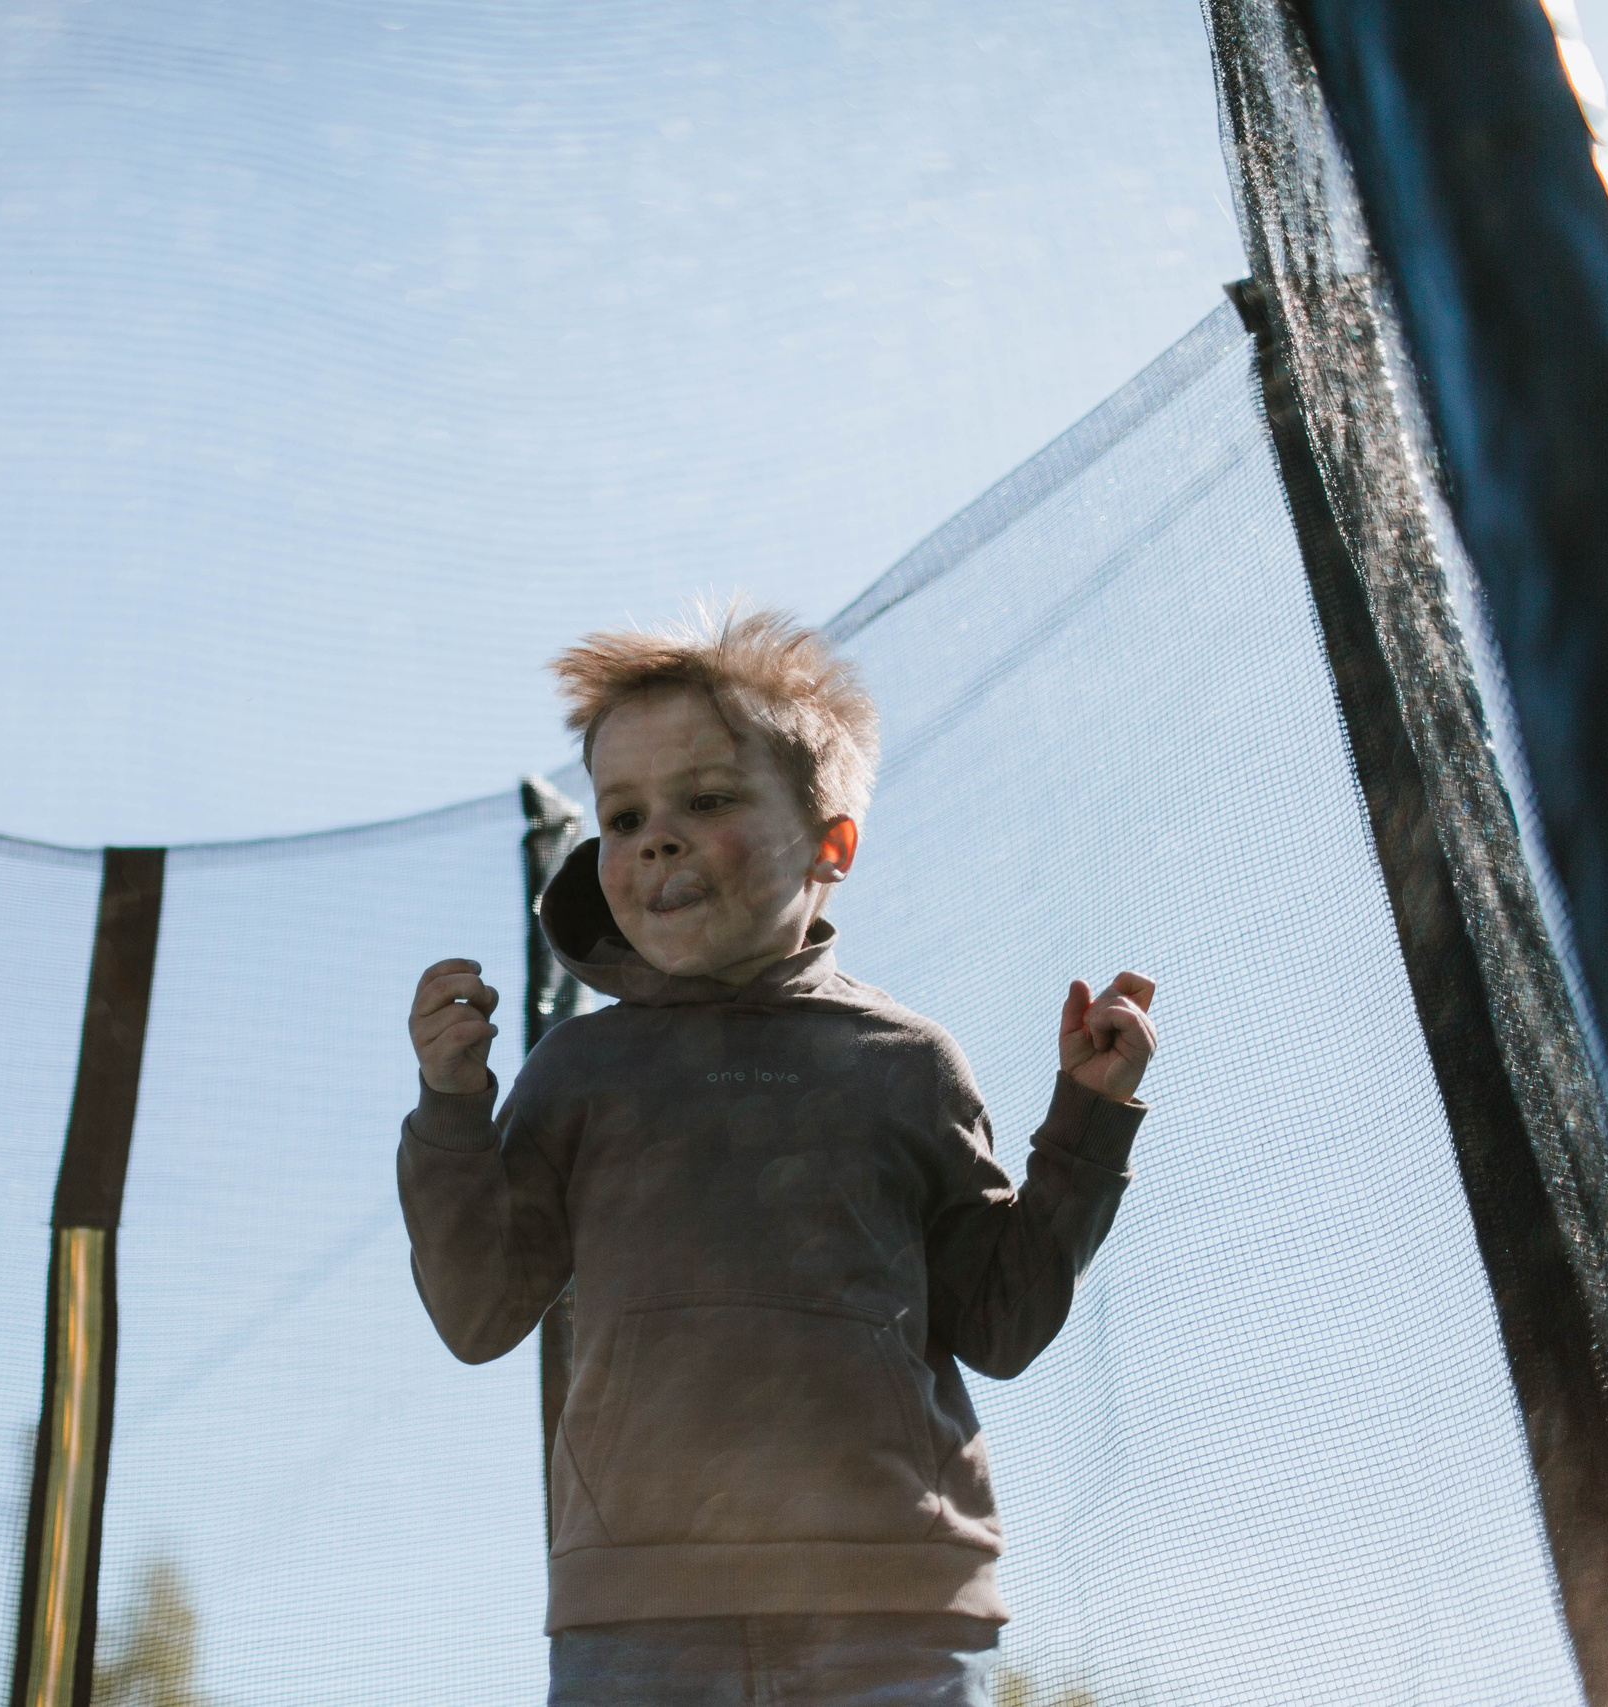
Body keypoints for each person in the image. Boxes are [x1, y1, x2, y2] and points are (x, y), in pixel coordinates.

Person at [398, 609, 1155, 1707]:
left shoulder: (905, 1062)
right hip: (637, 1623)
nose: (655, 836)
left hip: (892, 1610)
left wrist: (1084, 1124)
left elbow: (1000, 1321)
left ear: (828, 846)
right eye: (622, 816)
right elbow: (475, 1309)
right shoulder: (579, 1071)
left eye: (705, 800)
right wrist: (450, 1110)